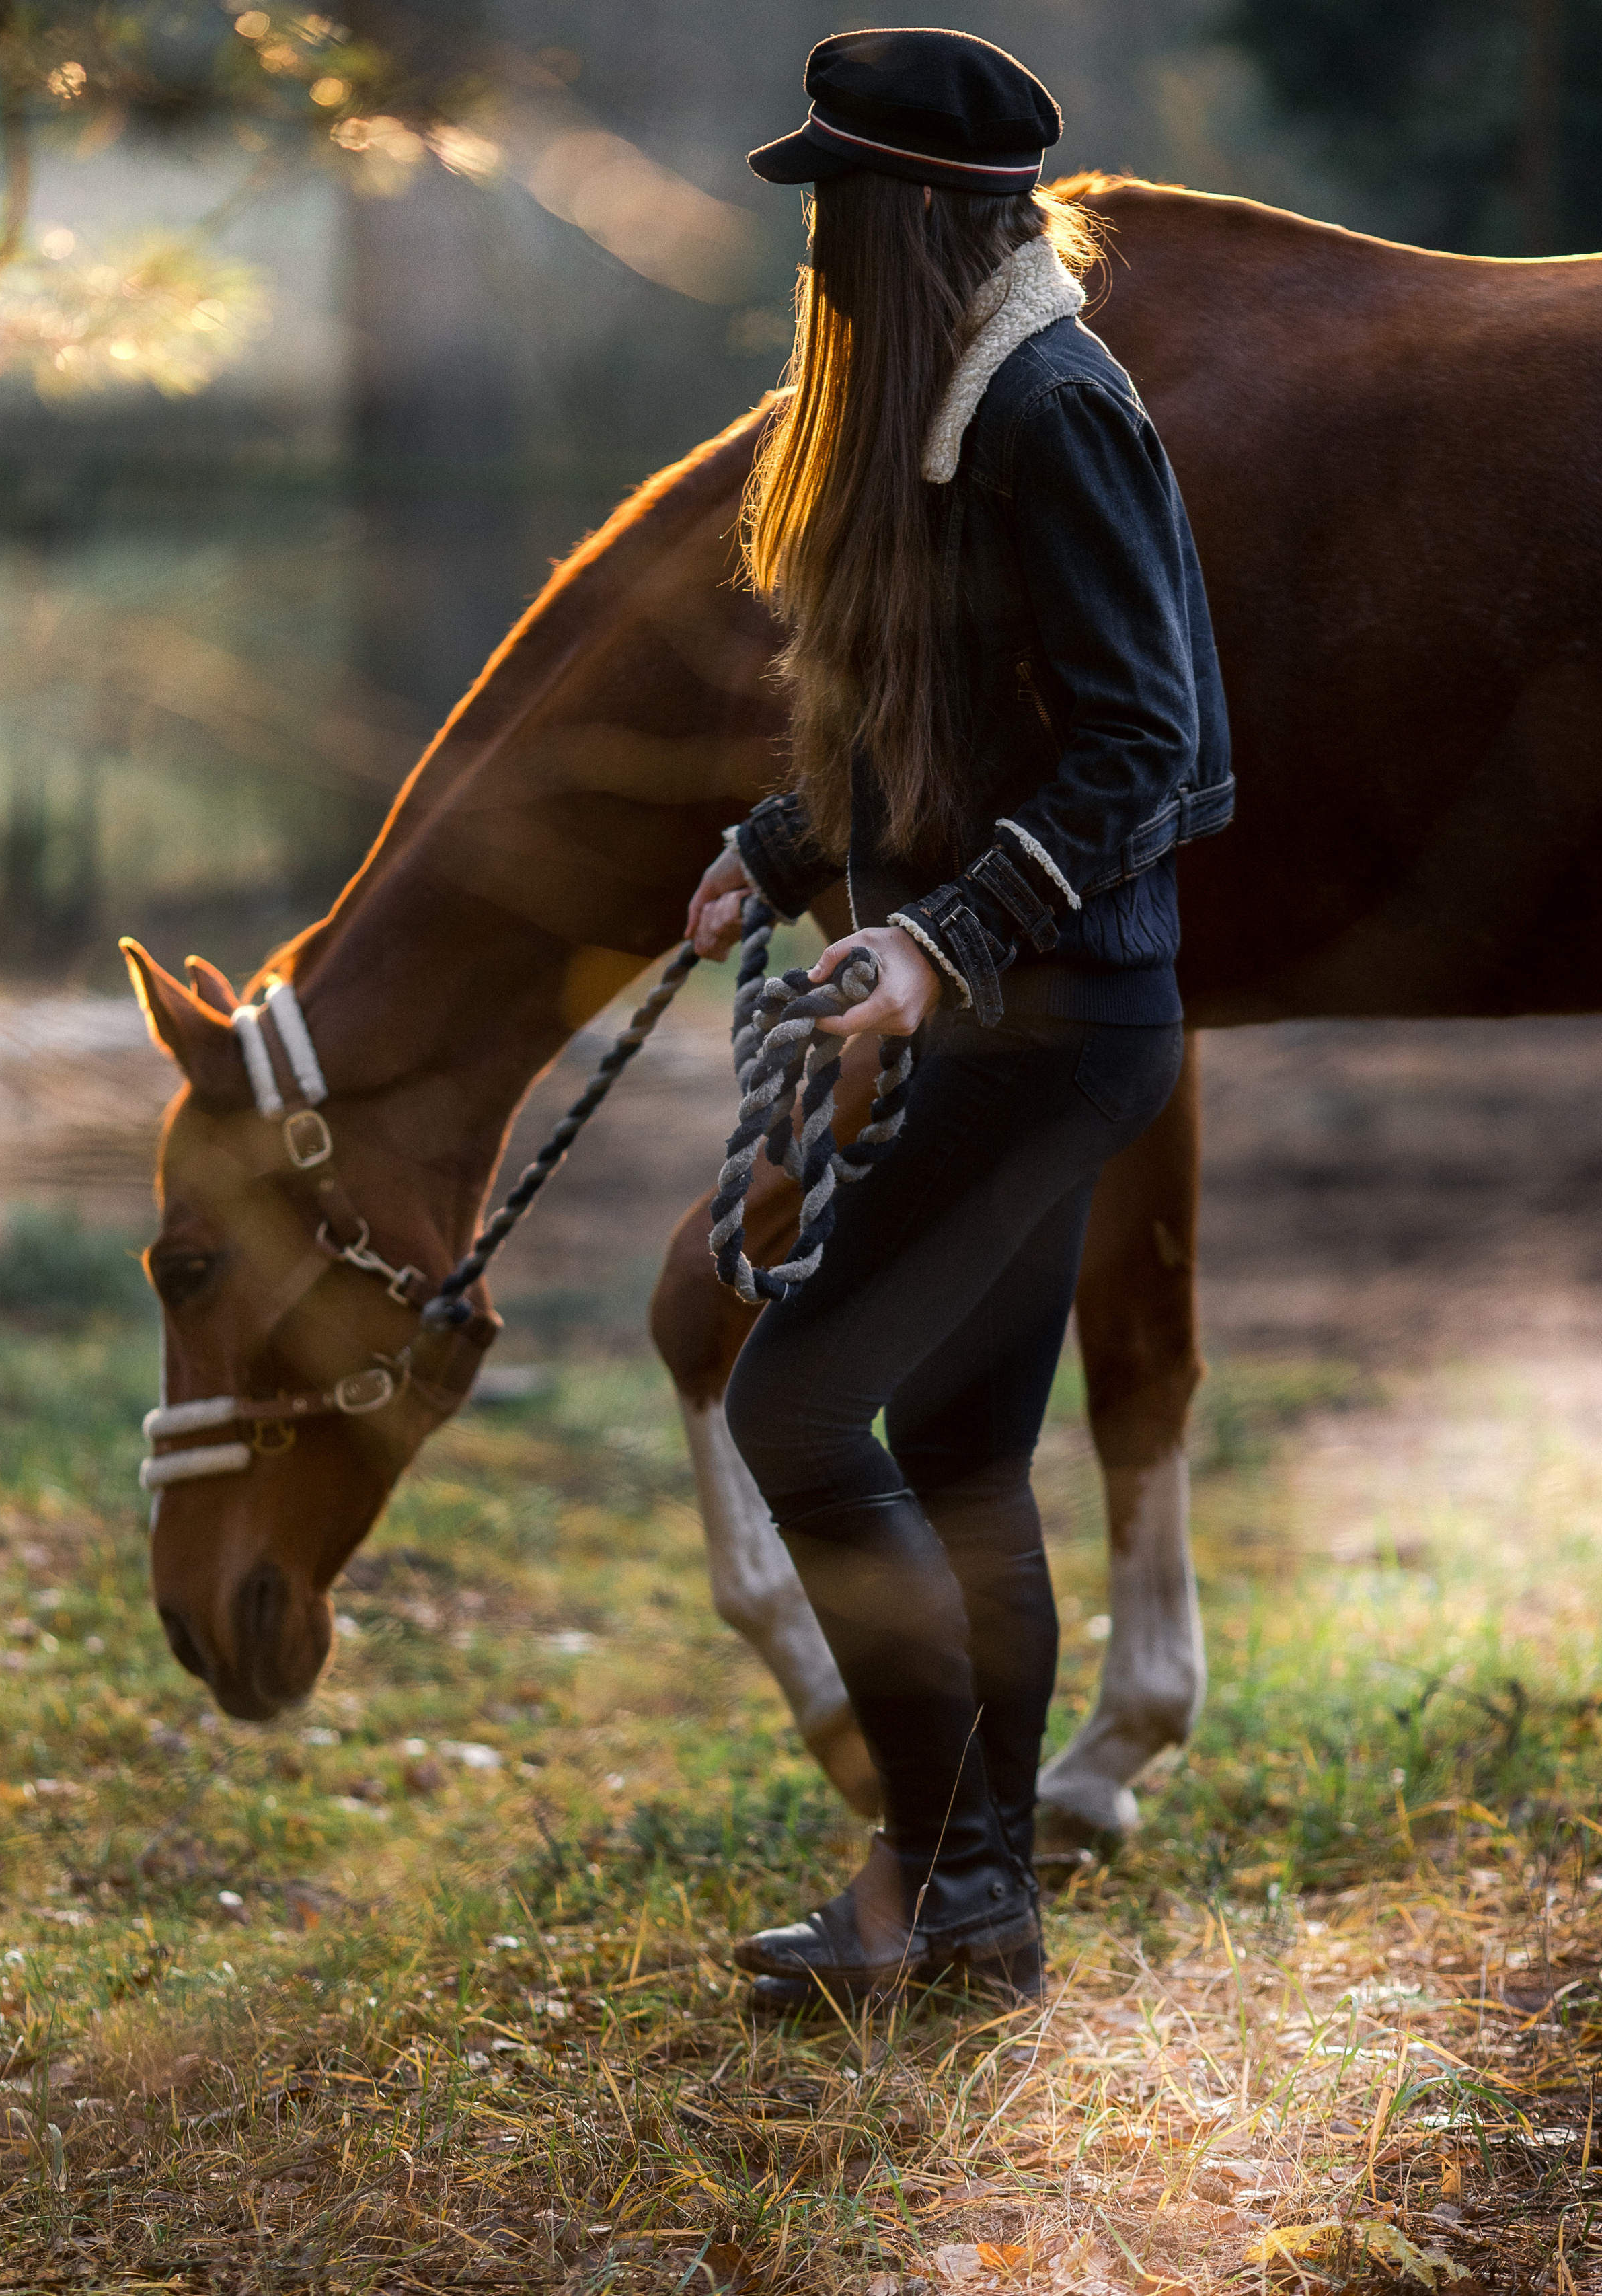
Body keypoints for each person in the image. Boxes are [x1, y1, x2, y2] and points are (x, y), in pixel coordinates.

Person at [685, 26, 1235, 2016]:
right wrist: (783, 841)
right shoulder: (976, 402)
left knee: (796, 1412)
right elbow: (969, 721)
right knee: (965, 1452)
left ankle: (940, 1889)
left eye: (837, 208)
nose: (815, 251)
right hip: (1046, 1012)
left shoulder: (1047, 410)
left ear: (918, 217)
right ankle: (967, 1903)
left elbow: (1138, 742)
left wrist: (938, 942)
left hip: (1060, 1022)